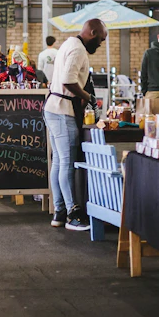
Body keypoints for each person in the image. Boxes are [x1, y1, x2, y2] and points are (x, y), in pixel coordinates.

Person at [44, 20, 107, 232]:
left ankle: (59, 212)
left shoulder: (68, 43)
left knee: (59, 163)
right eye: (100, 39)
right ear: (93, 32)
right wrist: (88, 97)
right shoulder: (79, 50)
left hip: (52, 107)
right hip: (63, 110)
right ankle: (72, 213)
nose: (100, 45)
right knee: (67, 162)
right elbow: (67, 80)